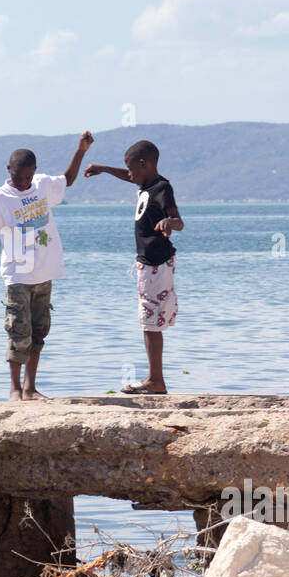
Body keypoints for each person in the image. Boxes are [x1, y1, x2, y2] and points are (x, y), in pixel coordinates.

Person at [0, 131, 93, 400]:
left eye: (28, 177)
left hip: (44, 272)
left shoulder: (42, 185)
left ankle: (31, 388)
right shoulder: (0, 198)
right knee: (19, 331)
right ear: (9, 170)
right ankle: (15, 390)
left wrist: (81, 150)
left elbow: (68, 179)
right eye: (18, 177)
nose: (23, 182)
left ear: (34, 172)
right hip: (17, 274)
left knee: (39, 333)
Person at [85, 139, 183, 394]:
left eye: (131, 168)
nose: (129, 175)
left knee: (150, 323)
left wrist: (168, 223)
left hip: (156, 265)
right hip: (150, 265)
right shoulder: (146, 185)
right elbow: (130, 178)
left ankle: (155, 381)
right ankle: (156, 379)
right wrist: (105, 169)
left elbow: (178, 220)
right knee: (151, 321)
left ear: (144, 164)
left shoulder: (162, 188)